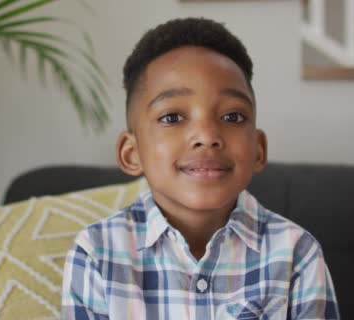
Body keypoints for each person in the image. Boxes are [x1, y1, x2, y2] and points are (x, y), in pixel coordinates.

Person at [62, 17, 339, 320]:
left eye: (232, 117)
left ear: (258, 150)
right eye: (172, 117)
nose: (207, 136)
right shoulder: (97, 252)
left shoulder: (296, 253)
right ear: (132, 153)